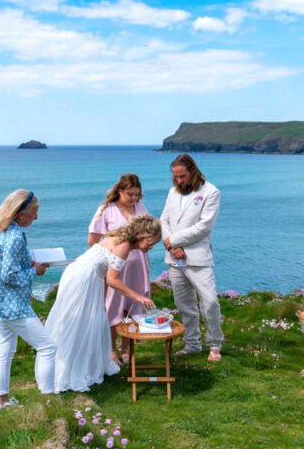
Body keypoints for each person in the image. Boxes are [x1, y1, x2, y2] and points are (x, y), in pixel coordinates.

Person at [49, 214, 159, 392]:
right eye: (152, 242)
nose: (152, 247)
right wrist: (138, 297)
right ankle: (71, 370)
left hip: (80, 274)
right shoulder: (123, 245)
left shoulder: (119, 239)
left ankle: (85, 364)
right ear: (143, 236)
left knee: (93, 321)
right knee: (79, 322)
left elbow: (107, 276)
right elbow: (113, 280)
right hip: (85, 278)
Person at [0, 190, 57, 411]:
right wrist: (35, 271)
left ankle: (3, 402)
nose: (36, 217)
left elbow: (2, 267)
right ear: (20, 214)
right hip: (14, 305)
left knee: (5, 351)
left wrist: (28, 263)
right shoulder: (15, 236)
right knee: (48, 347)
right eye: (34, 212)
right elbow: (10, 275)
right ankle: (49, 402)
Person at [160, 154, 224, 362]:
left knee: (210, 301)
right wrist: (171, 245)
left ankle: (215, 343)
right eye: (176, 177)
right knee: (184, 304)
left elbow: (204, 226)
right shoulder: (172, 192)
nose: (179, 181)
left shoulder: (211, 192)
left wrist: (174, 241)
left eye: (183, 176)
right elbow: (164, 219)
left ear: (193, 171)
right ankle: (192, 344)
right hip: (174, 258)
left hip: (197, 257)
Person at [88, 173, 152, 364]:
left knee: (132, 307)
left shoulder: (140, 208)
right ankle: (111, 350)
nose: (133, 198)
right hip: (115, 268)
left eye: (137, 195)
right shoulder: (106, 209)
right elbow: (92, 241)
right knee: (112, 307)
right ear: (120, 191)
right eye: (130, 194)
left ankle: (127, 348)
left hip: (138, 265)